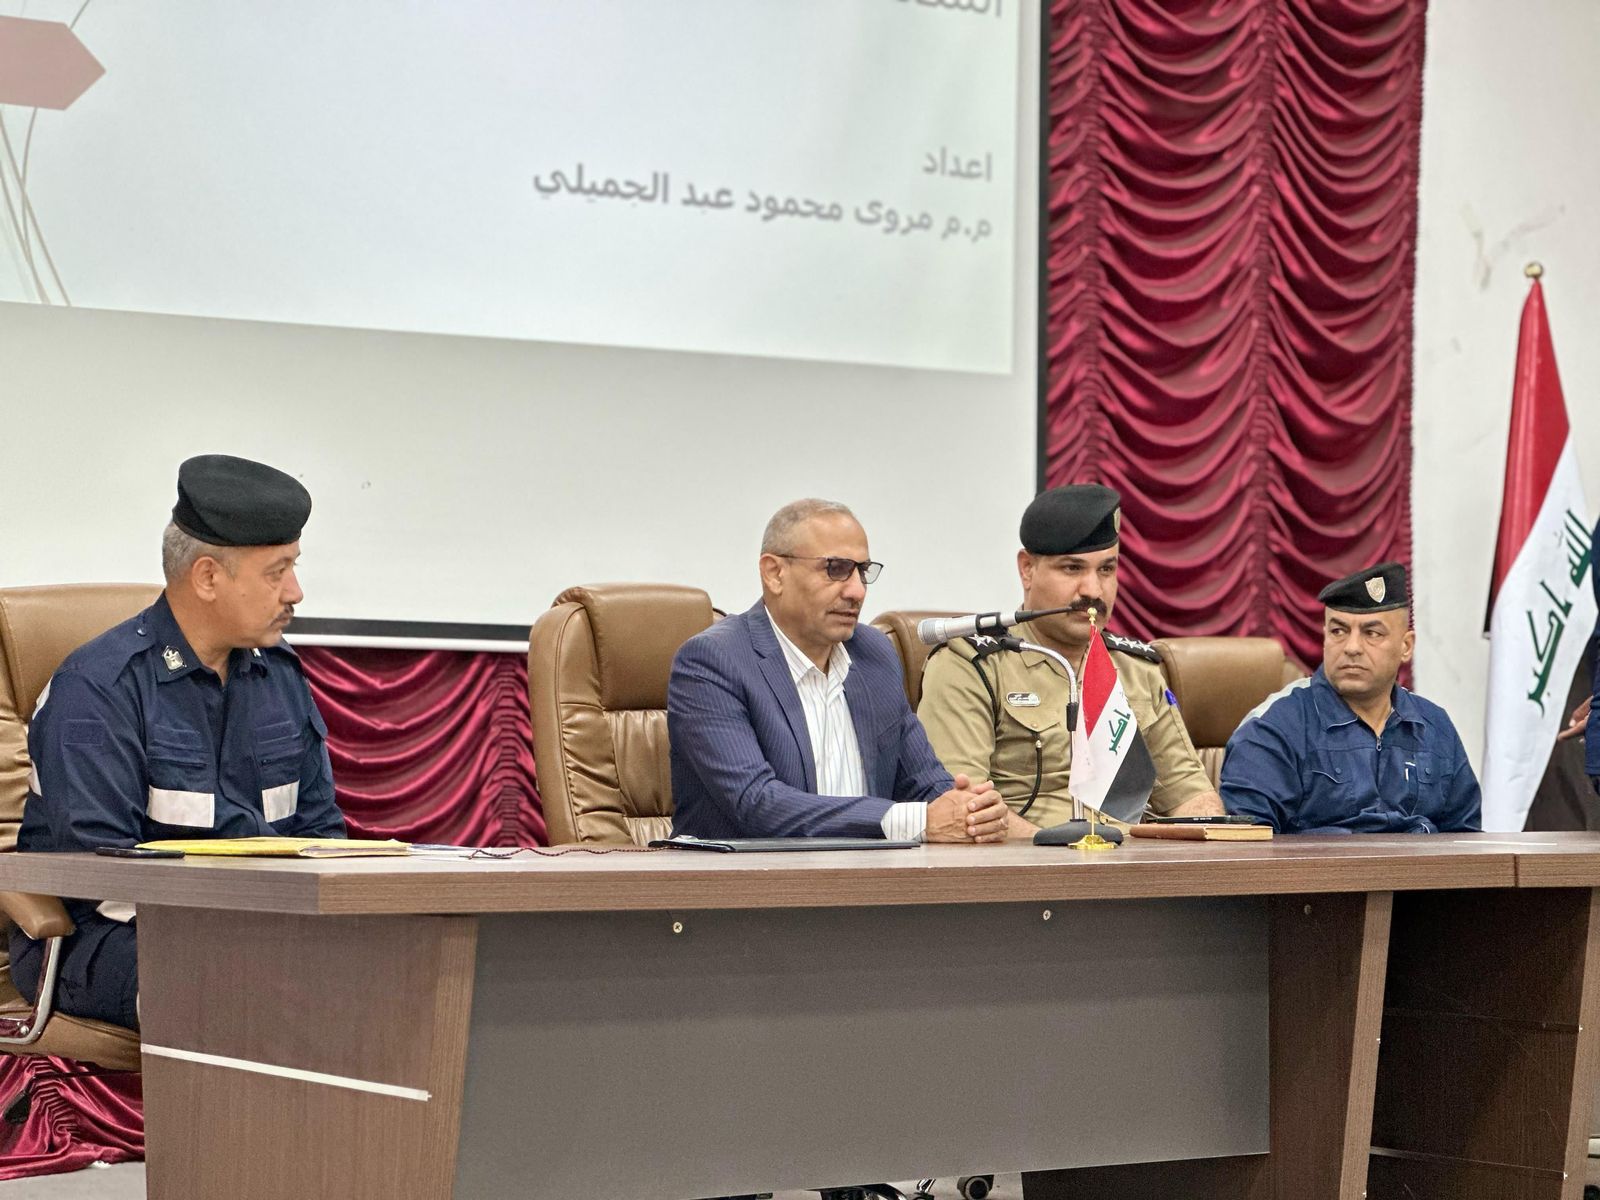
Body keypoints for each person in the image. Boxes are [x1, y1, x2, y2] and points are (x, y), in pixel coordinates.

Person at [11, 454, 345, 1028]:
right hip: (103, 940)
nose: (296, 592)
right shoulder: (100, 688)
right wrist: (251, 928)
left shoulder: (280, 678)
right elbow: (99, 875)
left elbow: (321, 835)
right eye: (276, 572)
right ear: (208, 577)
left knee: (387, 969)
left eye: (294, 567)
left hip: (254, 931)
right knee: (257, 987)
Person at [668, 498, 1009, 843]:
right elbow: (757, 803)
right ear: (774, 573)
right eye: (836, 569)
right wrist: (912, 820)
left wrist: (969, 809)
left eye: (863, 571)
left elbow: (923, 782)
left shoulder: (873, 654)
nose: (857, 591)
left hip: (873, 872)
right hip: (753, 874)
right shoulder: (714, 661)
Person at [917, 484, 1221, 835]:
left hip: (1135, 859)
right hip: (1029, 862)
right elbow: (964, 809)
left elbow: (1192, 796)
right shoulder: (971, 666)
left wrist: (1207, 834)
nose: (1092, 590)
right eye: (1072, 569)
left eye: (1106, 569)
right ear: (1027, 569)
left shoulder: (1138, 670)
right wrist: (1071, 853)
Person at [1221, 561, 1481, 833]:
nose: (1352, 647)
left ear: (1406, 647)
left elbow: (1464, 840)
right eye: (1339, 631)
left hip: (1421, 862)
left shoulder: (1434, 727)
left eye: (1372, 633)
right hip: (1321, 863)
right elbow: (1249, 847)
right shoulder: (1275, 727)